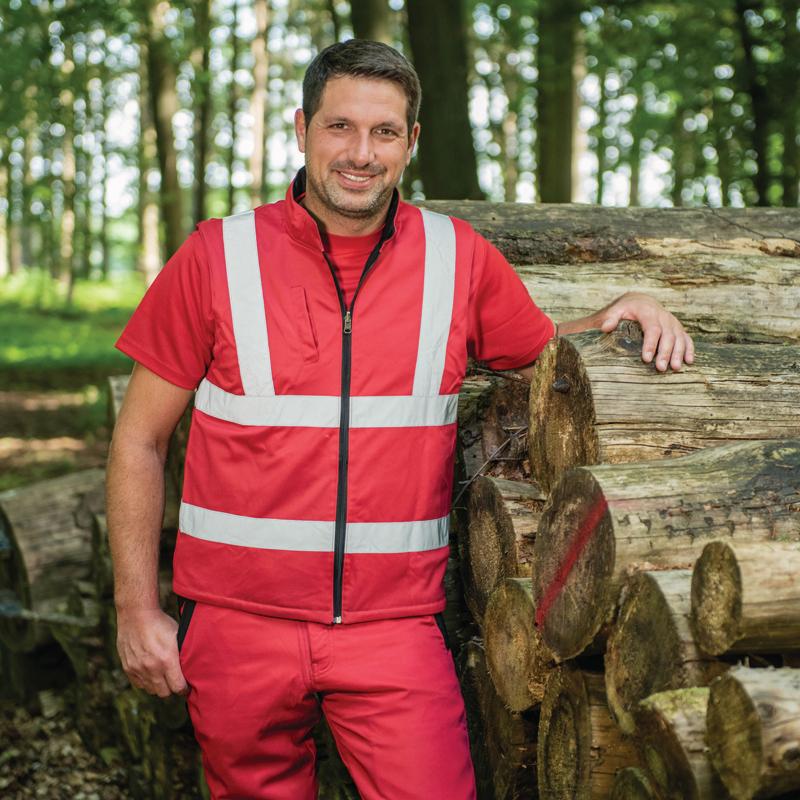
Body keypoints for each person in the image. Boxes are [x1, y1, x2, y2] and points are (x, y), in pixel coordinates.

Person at [107, 39, 694, 800]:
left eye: (384, 132)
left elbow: (546, 356)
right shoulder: (218, 256)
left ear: (411, 141)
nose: (362, 153)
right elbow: (139, 439)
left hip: (394, 629)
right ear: (302, 130)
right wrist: (136, 608)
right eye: (340, 127)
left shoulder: (457, 259)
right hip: (236, 625)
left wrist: (623, 311)